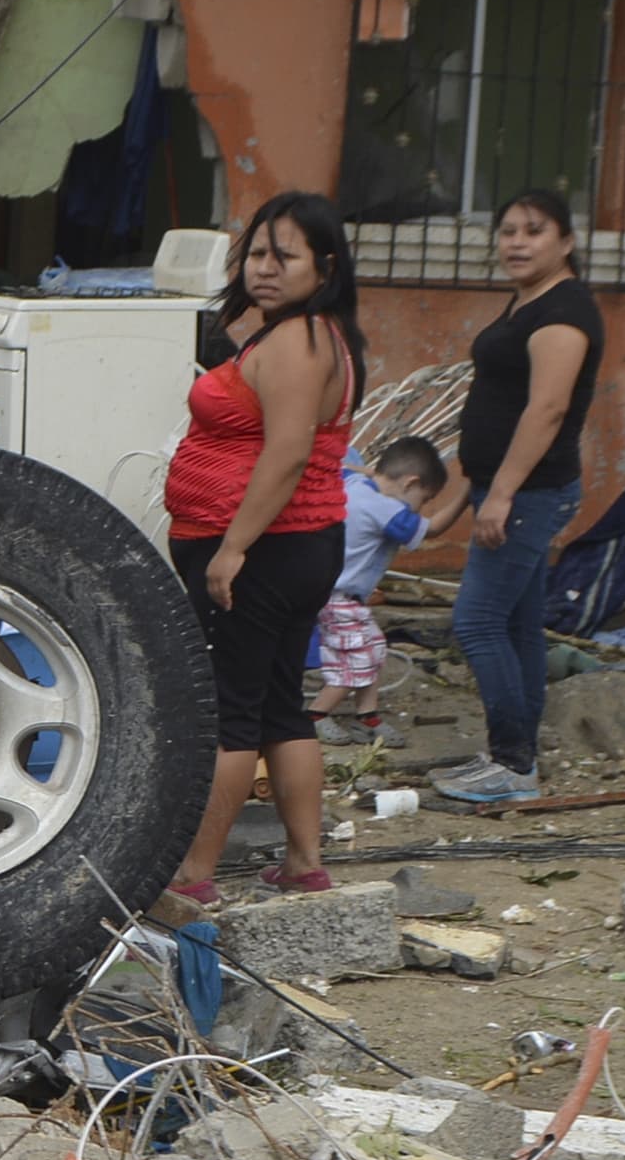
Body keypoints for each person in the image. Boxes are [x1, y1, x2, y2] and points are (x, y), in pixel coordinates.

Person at [161, 191, 363, 903]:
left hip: (266, 548)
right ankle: (304, 862)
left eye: (286, 255)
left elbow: (285, 453)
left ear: (326, 265)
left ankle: (194, 875)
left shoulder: (298, 341)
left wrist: (231, 549)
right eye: (257, 252)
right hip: (298, 545)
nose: (265, 267)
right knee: (280, 703)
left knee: (230, 709)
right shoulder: (311, 334)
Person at [428, 188, 605, 806]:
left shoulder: (564, 312)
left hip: (530, 491)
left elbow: (548, 408)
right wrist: (459, 499)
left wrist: (500, 494)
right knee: (520, 624)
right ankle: (516, 757)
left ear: (567, 242)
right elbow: (495, 408)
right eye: (507, 230)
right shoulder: (528, 301)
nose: (517, 242)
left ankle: (512, 764)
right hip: (507, 488)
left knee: (476, 622)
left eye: (533, 231)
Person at [313, 433, 445, 739]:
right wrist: (469, 494)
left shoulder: (356, 486)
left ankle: (367, 715)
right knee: (354, 661)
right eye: (424, 499)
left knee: (373, 647)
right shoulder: (384, 509)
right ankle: (316, 715)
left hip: (336, 595)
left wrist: (374, 472)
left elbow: (344, 467)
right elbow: (434, 529)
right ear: (410, 483)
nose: (420, 508)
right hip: (339, 597)